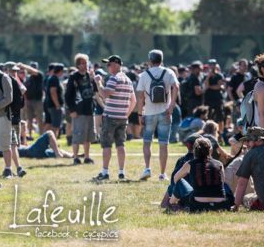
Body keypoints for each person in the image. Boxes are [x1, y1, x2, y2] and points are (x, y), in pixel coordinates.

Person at [136, 49, 179, 181]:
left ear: (150, 60)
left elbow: (141, 97)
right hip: (165, 112)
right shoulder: (169, 72)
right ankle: (162, 173)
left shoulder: (143, 75)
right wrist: (171, 106)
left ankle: (147, 168)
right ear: (161, 59)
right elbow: (176, 86)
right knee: (163, 143)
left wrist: (139, 114)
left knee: (147, 142)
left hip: (149, 112)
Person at [94, 55, 136, 180]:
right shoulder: (128, 80)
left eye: (109, 64)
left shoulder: (114, 79)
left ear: (116, 65)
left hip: (110, 116)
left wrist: (98, 82)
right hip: (122, 117)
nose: (107, 67)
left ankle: (105, 172)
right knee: (120, 145)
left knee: (106, 145)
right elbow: (133, 101)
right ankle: (121, 172)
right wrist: (126, 114)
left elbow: (103, 94)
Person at [170, 137, 233, 212]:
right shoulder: (219, 164)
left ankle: (171, 204)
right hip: (220, 204)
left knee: (180, 183)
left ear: (194, 151)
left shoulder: (190, 164)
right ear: (210, 150)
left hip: (197, 204)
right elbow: (222, 182)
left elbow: (176, 179)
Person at [65, 54, 96, 165]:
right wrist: (72, 110)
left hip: (89, 109)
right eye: (82, 63)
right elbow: (68, 96)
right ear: (78, 65)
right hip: (78, 110)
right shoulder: (73, 77)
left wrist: (94, 78)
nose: (85, 65)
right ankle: (76, 157)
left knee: (88, 135)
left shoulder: (90, 76)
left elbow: (96, 91)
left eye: (86, 62)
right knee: (78, 135)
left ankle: (87, 157)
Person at [203, 59, 225, 142]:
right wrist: (208, 76)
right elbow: (206, 85)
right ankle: (207, 133)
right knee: (208, 117)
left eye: (213, 64)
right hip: (209, 99)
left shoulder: (219, 75)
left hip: (218, 99)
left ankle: (220, 134)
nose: (212, 66)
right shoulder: (206, 75)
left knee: (220, 117)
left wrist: (210, 87)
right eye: (210, 64)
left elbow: (219, 86)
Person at [21, 62, 44, 137]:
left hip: (37, 100)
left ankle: (41, 134)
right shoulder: (28, 78)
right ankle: (29, 135)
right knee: (29, 119)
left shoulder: (39, 75)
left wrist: (23, 65)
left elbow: (35, 72)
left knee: (39, 119)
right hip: (28, 100)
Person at [45, 63, 65, 138]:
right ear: (60, 71)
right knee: (55, 126)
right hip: (54, 106)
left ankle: (52, 142)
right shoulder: (54, 79)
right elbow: (53, 92)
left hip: (52, 105)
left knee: (54, 125)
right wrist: (57, 105)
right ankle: (53, 142)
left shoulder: (53, 78)